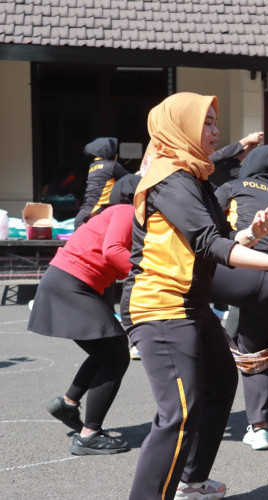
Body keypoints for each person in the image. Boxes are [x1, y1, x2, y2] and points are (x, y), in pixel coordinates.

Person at [119, 92, 268, 500]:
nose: (216, 131)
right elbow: (206, 242)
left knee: (220, 382)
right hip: (161, 305)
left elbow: (219, 239)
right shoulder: (169, 176)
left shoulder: (195, 176)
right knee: (177, 414)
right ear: (180, 126)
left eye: (216, 122)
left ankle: (192, 482)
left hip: (192, 305)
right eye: (207, 123)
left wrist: (251, 236)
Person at [28, 174, 139, 455]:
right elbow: (113, 251)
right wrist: (148, 275)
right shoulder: (126, 211)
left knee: (105, 346)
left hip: (69, 282)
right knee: (116, 355)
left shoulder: (111, 213)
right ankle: (90, 435)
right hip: (71, 284)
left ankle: (67, 404)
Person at [211, 144, 268, 451]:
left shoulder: (233, 185)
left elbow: (208, 222)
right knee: (255, 353)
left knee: (188, 301)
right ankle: (260, 430)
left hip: (235, 270)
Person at [74, 137, 129, 228]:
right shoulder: (112, 166)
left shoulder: (93, 166)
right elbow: (130, 180)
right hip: (94, 216)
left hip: (84, 215)